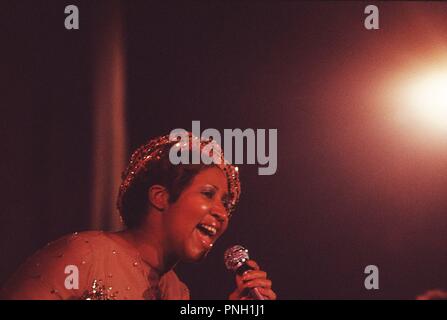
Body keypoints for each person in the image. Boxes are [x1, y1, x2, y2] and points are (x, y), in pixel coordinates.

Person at [1, 133, 276, 300]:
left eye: (226, 203)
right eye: (208, 194)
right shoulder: (84, 255)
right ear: (161, 197)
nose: (221, 212)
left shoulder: (178, 292)